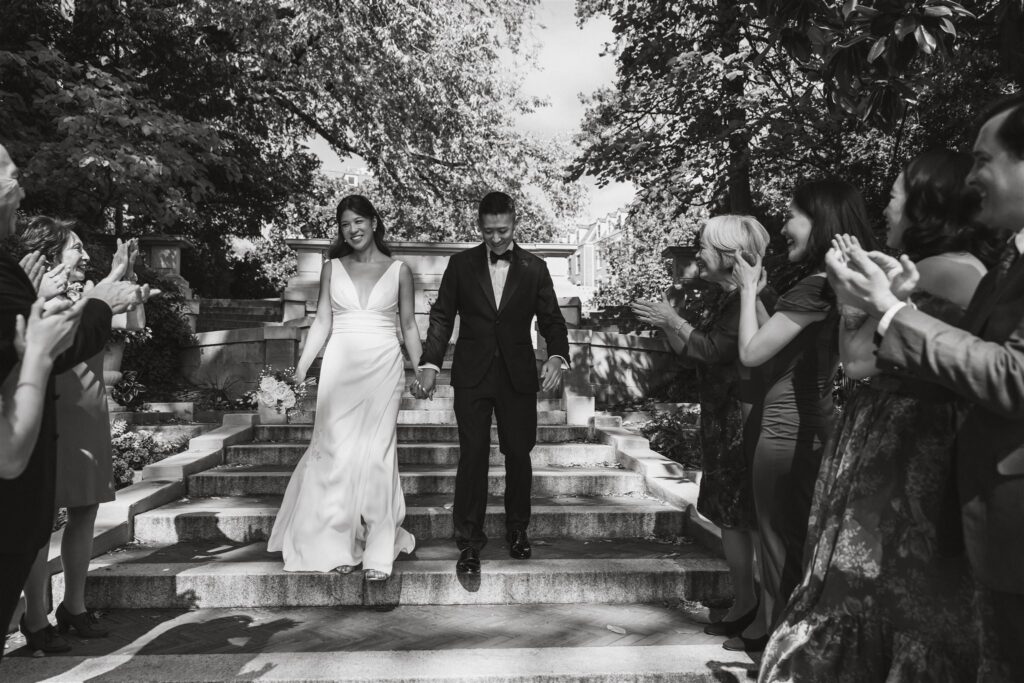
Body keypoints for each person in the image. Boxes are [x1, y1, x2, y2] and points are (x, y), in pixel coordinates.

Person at [761, 149, 994, 681]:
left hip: (906, 447)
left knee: (869, 589)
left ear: (925, 205)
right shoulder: (958, 266)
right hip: (900, 436)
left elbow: (860, 361)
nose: (886, 209)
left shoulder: (940, 270)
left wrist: (851, 301)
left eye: (894, 197)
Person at [826, 95, 1024, 681]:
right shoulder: (1009, 262)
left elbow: (1013, 376)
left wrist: (890, 311)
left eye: (984, 161)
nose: (973, 178)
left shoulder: (973, 268)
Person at [0, 143, 149, 660]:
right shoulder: (30, 291)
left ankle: (74, 607)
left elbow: (115, 326)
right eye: (74, 247)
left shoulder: (77, 289)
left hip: (86, 404)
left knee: (80, 511)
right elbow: (62, 333)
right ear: (49, 253)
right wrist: (99, 293)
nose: (81, 255)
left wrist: (115, 282)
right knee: (37, 521)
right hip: (50, 402)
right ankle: (37, 621)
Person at [730, 179, 876, 653]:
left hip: (786, 430)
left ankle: (782, 650)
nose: (784, 225)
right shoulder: (839, 283)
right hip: (814, 424)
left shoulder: (815, 289)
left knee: (780, 547)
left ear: (820, 223)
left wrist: (748, 290)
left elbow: (752, 352)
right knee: (797, 543)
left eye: (792, 215)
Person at [632, 215, 772, 641]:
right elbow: (695, 352)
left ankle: (758, 607)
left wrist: (673, 320)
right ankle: (747, 601)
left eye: (705, 247)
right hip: (722, 418)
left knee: (742, 518)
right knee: (733, 517)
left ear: (730, 256)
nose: (698, 253)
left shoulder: (748, 301)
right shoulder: (726, 299)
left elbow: (714, 350)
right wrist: (668, 320)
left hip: (741, 421)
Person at [415, 191, 569, 574]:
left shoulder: (534, 267)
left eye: (502, 230)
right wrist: (430, 362)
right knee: (472, 455)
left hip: (517, 376)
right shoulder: (461, 265)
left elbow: (552, 319)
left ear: (514, 222)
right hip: (472, 375)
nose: (496, 238)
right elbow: (442, 317)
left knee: (518, 453)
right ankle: (469, 542)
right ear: (479, 226)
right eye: (488, 231)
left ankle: (518, 529)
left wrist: (555, 356)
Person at [267, 195, 418, 581]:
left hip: (384, 367)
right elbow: (321, 324)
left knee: (379, 456)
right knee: (335, 452)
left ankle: (379, 553)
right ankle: (333, 542)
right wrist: (299, 371)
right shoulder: (331, 268)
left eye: (359, 221)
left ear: (374, 222)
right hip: (340, 368)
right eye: (345, 224)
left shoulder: (400, 270)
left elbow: (409, 327)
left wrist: (425, 367)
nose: (352, 229)